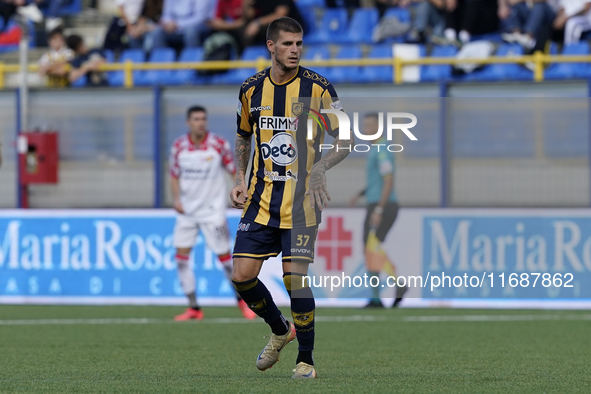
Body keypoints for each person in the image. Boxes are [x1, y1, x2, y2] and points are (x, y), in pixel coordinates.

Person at [230, 17, 352, 379]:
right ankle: (281, 329)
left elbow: (344, 141)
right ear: (271, 47)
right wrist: (239, 177)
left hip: (302, 203)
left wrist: (321, 167)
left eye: (299, 43)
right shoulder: (251, 89)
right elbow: (242, 137)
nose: (295, 50)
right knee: (241, 276)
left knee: (294, 278)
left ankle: (307, 360)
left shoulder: (319, 88)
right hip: (261, 200)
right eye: (287, 44)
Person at [170, 106, 256, 321]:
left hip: (213, 212)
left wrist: (240, 189)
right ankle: (194, 308)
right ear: (188, 122)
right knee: (181, 260)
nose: (200, 122)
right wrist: (177, 199)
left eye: (203, 119)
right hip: (187, 213)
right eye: (196, 119)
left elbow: (234, 170)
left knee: (227, 261)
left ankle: (242, 302)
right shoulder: (179, 146)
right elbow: (173, 174)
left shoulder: (218, 144)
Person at [349, 113, 407, 308]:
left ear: (379, 127)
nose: (367, 129)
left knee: (370, 247)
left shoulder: (382, 149)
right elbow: (378, 181)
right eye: (365, 125)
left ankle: (385, 292)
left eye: (371, 125)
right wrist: (361, 193)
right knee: (372, 247)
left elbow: (388, 181)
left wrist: (379, 209)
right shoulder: (376, 148)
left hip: (383, 206)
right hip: (377, 204)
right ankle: (387, 291)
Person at [147, 0, 215, 52]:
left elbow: (200, 18)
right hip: (174, 27)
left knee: (191, 32)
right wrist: (167, 24)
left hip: (198, 26)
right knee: (157, 32)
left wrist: (177, 24)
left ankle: (192, 65)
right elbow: (166, 15)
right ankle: (161, 67)